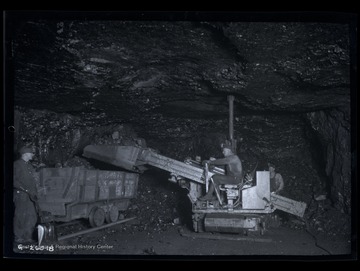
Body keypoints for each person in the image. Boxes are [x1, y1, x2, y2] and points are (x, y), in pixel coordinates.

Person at [13, 146, 39, 245]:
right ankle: (19, 237)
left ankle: (27, 237)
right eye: (31, 153)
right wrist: (26, 190)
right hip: (21, 195)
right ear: (25, 154)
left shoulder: (29, 166)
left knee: (32, 216)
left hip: (31, 196)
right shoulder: (16, 165)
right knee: (20, 216)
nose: (32, 154)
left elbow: (33, 181)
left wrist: (35, 192)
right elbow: (13, 181)